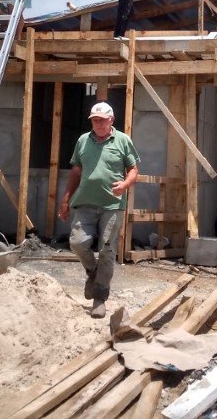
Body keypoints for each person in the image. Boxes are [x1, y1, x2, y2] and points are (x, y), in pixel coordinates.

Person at [58, 102, 140, 318]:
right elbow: (76, 171)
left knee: (107, 250)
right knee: (77, 243)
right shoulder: (83, 141)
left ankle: (100, 297)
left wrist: (125, 184)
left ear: (111, 120)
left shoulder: (123, 140)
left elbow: (133, 169)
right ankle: (93, 272)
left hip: (112, 205)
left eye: (102, 120)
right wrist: (65, 200)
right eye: (95, 120)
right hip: (85, 202)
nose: (98, 124)